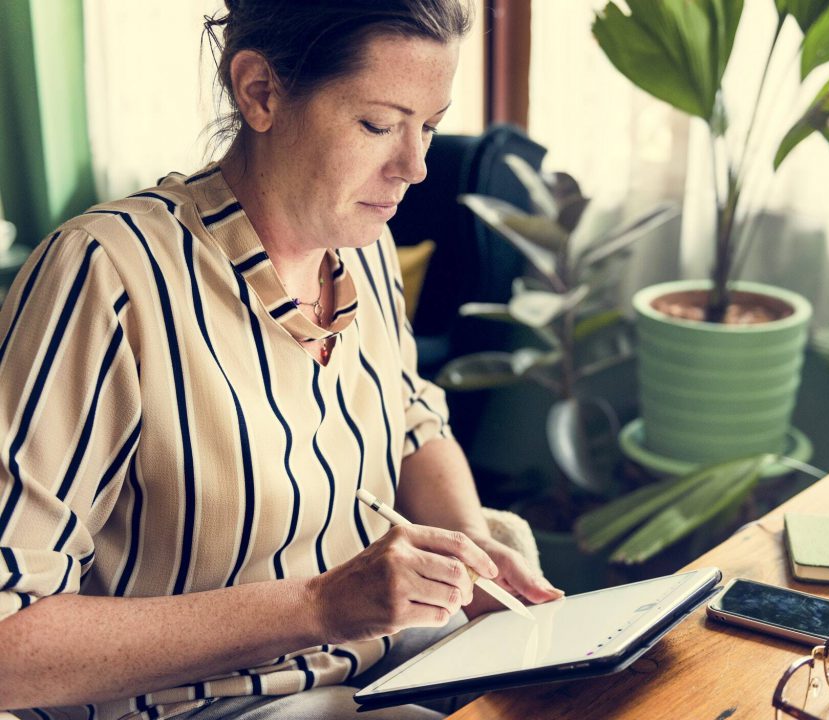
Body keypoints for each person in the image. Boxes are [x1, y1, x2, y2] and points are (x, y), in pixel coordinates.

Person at [0, 2, 562, 718]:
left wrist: (475, 554)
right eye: (379, 125)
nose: (416, 167)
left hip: (389, 669)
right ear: (260, 91)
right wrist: (322, 606)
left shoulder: (364, 243)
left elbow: (411, 421)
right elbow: (7, 645)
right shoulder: (107, 275)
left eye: (430, 126)